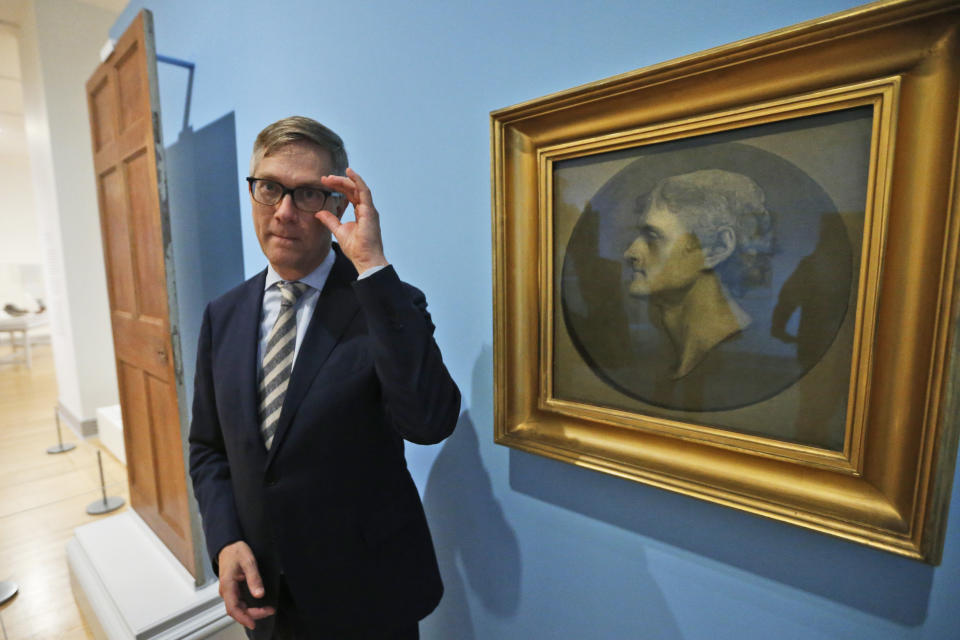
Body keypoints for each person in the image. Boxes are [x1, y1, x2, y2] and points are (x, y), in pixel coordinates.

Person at [188, 116, 461, 639]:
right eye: (270, 188)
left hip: (367, 596)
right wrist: (225, 540)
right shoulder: (222, 316)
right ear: (253, 191)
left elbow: (428, 422)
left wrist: (373, 269)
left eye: (308, 194)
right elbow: (209, 448)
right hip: (267, 594)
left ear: (337, 204)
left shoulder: (385, 303)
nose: (285, 212)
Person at [622, 169, 774, 379]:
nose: (630, 253)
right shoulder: (677, 356)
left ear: (717, 248)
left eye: (653, 236)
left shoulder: (745, 367)